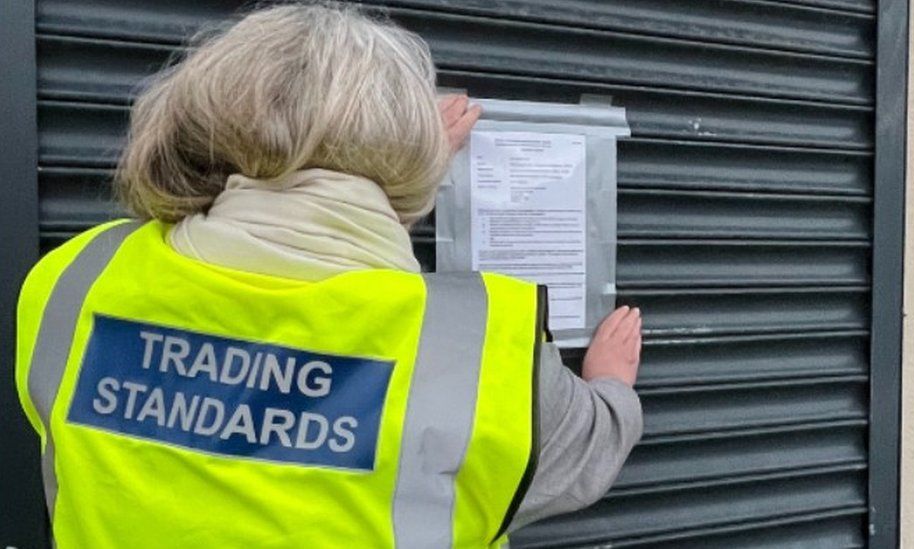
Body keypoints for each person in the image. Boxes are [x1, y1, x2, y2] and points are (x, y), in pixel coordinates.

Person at [15, 4, 642, 548]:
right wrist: (610, 387)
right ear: (407, 154)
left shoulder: (73, 278)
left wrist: (385, 183)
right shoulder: (487, 350)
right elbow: (582, 457)